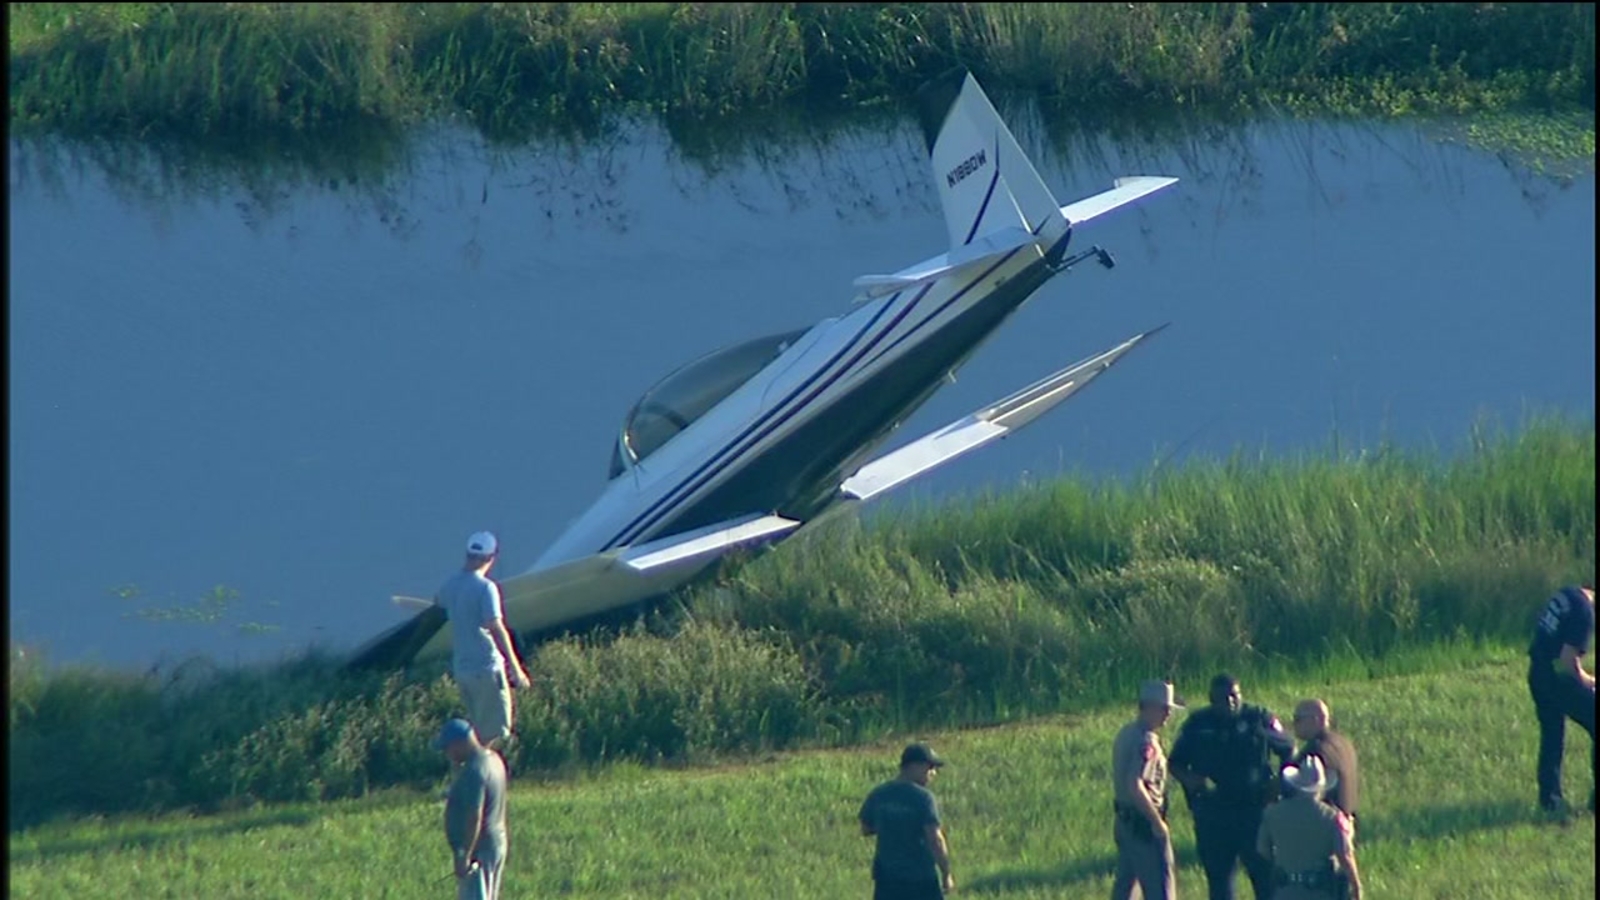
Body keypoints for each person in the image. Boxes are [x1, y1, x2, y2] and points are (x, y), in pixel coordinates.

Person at [1169, 673, 1295, 900]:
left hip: (1254, 811)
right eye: (1223, 698)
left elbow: (1288, 748)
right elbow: (1175, 763)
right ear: (1211, 699)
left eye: (1234, 696)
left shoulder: (1258, 719)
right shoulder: (1198, 724)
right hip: (1213, 813)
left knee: (1265, 879)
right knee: (1220, 882)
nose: (1230, 702)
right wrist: (1192, 780)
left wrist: (1279, 783)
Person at [435, 531, 532, 748]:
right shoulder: (486, 588)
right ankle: (490, 768)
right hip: (487, 668)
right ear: (491, 558)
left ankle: (473, 765)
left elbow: (438, 602)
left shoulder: (450, 585)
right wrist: (516, 668)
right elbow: (496, 627)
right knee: (498, 734)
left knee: (479, 731)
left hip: (463, 670)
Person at [1526, 584, 1596, 813]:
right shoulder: (1584, 612)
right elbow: (1568, 661)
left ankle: (1550, 799)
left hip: (1537, 671)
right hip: (1558, 678)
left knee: (1552, 735)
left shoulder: (1568, 594)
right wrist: (1590, 681)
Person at [1111, 680, 1184, 900]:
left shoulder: (1126, 733)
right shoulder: (1147, 742)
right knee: (1160, 889)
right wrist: (1157, 822)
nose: (1168, 714)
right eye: (1164, 708)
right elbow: (1135, 784)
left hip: (1124, 822)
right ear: (1148, 707)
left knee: (1125, 889)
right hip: (1143, 826)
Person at [858, 742, 955, 899]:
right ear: (914, 766)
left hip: (886, 877)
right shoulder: (924, 798)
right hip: (920, 878)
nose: (933, 773)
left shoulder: (879, 794)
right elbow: (935, 839)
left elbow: (866, 828)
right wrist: (946, 873)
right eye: (930, 767)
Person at [1256, 757, 1361, 900]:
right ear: (1322, 788)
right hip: (1320, 893)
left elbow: (1263, 850)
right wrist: (1356, 886)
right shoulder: (1332, 817)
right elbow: (1345, 855)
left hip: (1284, 893)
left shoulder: (1272, 813)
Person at [437, 717, 511, 900]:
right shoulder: (494, 759)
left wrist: (465, 854)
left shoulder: (474, 771)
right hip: (496, 841)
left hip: (480, 848)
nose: (447, 754)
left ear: (458, 743)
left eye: (448, 748)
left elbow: (474, 816)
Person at [1284, 700, 1360, 824]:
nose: (1294, 724)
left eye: (1298, 719)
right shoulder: (1345, 744)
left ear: (1315, 720)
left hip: (1324, 823)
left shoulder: (1316, 750)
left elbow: (1295, 789)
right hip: (1348, 820)